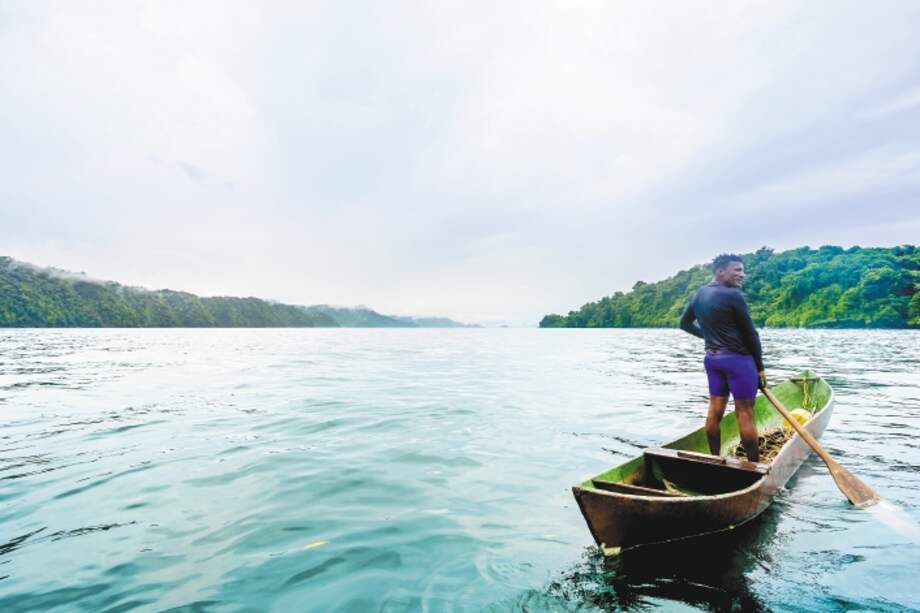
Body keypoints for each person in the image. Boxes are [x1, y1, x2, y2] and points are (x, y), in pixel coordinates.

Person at [679, 254, 766, 462]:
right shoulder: (732, 296)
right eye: (737, 270)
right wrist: (760, 368)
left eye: (742, 270)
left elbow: (684, 324)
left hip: (712, 360)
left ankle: (715, 459)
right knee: (745, 414)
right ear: (720, 271)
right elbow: (750, 334)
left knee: (714, 412)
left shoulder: (698, 295)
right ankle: (755, 467)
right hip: (738, 361)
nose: (742, 275)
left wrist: (708, 338)